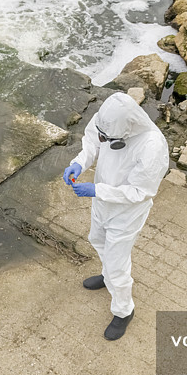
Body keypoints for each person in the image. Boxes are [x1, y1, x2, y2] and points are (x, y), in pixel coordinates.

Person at [62, 92, 169, 341]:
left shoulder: (152, 146)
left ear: (127, 129)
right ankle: (106, 274)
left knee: (118, 265)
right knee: (96, 239)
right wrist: (79, 162)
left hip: (126, 214)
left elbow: (140, 192)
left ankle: (124, 310)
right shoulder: (109, 119)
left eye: (108, 138)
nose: (103, 139)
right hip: (102, 202)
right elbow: (92, 139)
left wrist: (97, 190)